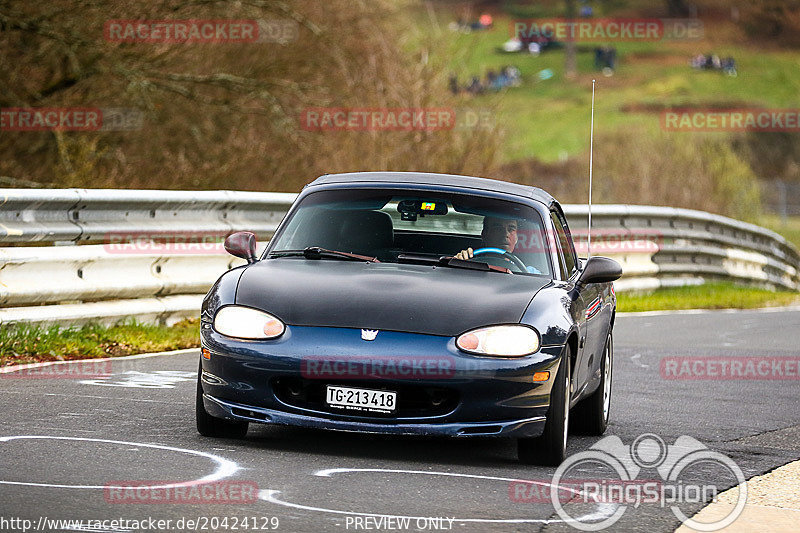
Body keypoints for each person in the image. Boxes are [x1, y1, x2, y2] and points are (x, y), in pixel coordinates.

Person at [454, 217, 541, 274]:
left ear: (517, 238)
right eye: (498, 228)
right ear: (484, 234)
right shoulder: (468, 264)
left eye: (511, 229)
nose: (505, 233)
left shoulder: (531, 273)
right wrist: (458, 262)